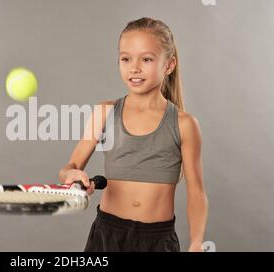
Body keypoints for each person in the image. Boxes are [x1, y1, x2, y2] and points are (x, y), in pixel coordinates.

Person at [59, 17, 208, 252]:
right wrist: (73, 174)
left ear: (169, 65)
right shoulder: (104, 112)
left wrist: (197, 242)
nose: (134, 68)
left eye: (146, 59)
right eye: (126, 58)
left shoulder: (185, 124)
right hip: (107, 236)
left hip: (158, 240)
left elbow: (197, 192)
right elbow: (69, 167)